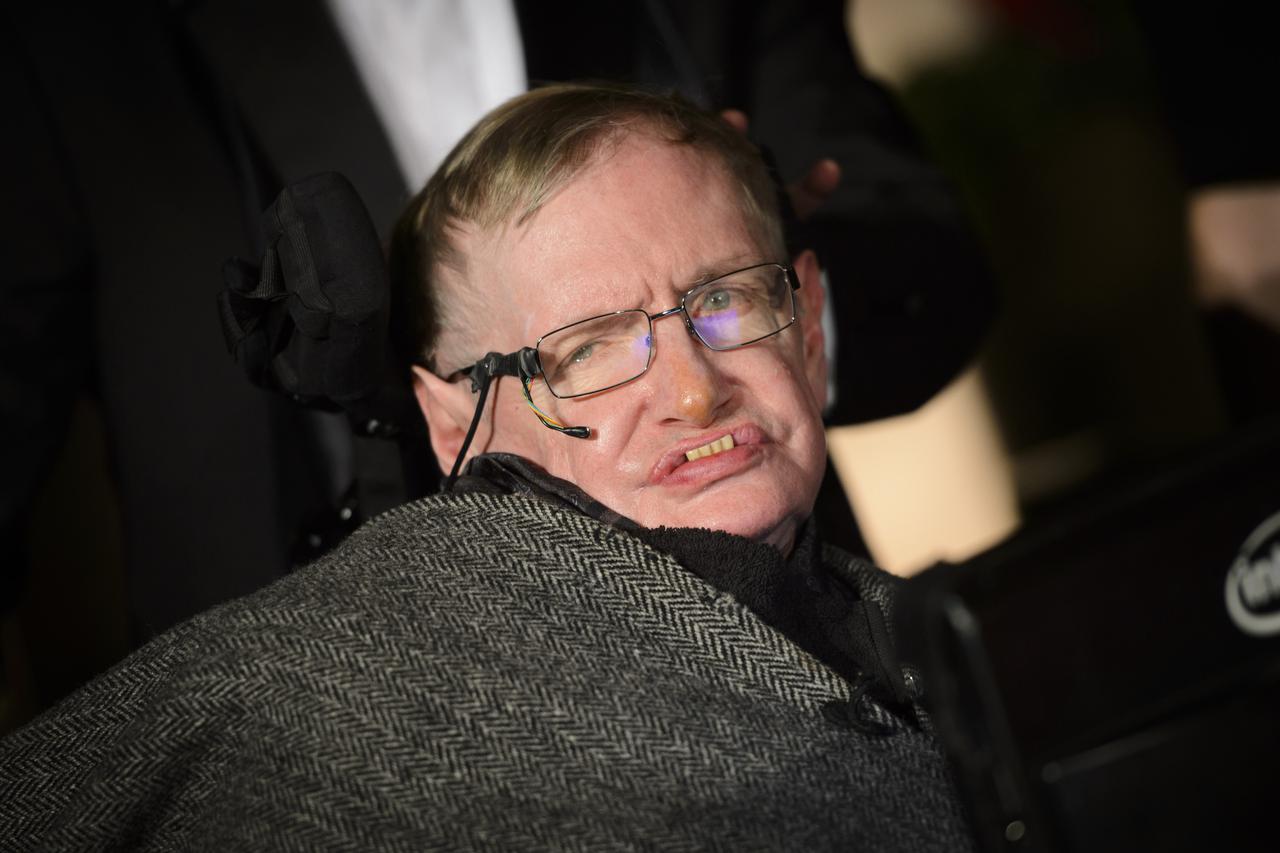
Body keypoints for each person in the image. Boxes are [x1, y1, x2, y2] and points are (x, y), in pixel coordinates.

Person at [0, 84, 972, 851]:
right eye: (586, 350)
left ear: (804, 319)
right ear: (452, 410)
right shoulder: (296, 708)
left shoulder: (966, 645)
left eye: (724, 301)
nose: (690, 392)